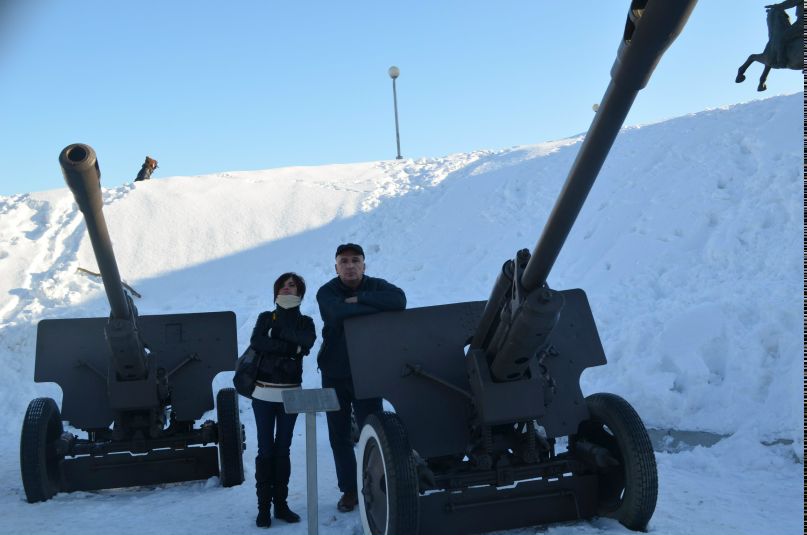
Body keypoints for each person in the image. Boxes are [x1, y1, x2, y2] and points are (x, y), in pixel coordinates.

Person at [315, 243, 406, 512]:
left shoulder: (377, 286)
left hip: (367, 371)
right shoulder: (327, 292)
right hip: (334, 373)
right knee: (339, 435)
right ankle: (350, 490)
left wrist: (359, 300)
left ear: (364, 265)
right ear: (336, 267)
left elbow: (399, 301)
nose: (350, 265)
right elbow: (335, 313)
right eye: (344, 261)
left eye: (355, 260)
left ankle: (376, 485)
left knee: (373, 431)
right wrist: (371, 307)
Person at [249, 272, 316, 528]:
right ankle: (263, 507)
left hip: (291, 393)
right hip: (263, 393)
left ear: (300, 292)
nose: (288, 289)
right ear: (277, 290)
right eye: (284, 285)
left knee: (283, 449)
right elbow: (257, 342)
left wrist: (277, 337)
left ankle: (281, 505)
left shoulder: (306, 322)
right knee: (265, 450)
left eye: (293, 285)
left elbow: (307, 343)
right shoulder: (265, 318)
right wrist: (292, 348)